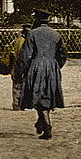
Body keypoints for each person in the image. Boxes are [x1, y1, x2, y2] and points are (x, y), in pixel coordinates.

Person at [17, 9, 67, 139]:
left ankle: (47, 126)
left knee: (38, 95)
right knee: (48, 94)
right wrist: (56, 66)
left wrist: (19, 72)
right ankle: (41, 121)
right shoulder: (56, 34)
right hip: (52, 67)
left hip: (36, 66)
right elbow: (62, 55)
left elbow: (25, 55)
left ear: (37, 20)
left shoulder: (32, 34)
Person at [9, 25, 31, 111]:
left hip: (16, 65)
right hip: (22, 66)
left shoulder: (18, 40)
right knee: (21, 85)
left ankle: (16, 104)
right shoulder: (25, 42)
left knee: (16, 86)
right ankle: (19, 104)